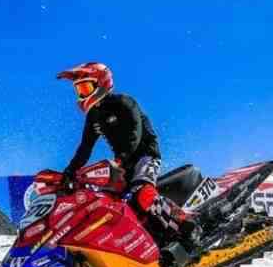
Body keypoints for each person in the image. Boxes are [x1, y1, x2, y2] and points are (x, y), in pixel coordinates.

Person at [56, 62, 200, 255]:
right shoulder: (94, 116)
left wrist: (121, 159)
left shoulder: (124, 102)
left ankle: (187, 226)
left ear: (102, 83)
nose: (82, 94)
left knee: (143, 193)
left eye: (85, 87)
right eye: (79, 90)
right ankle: (151, 243)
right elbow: (85, 148)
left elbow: (135, 134)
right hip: (123, 163)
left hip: (145, 155)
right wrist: (69, 173)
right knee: (116, 204)